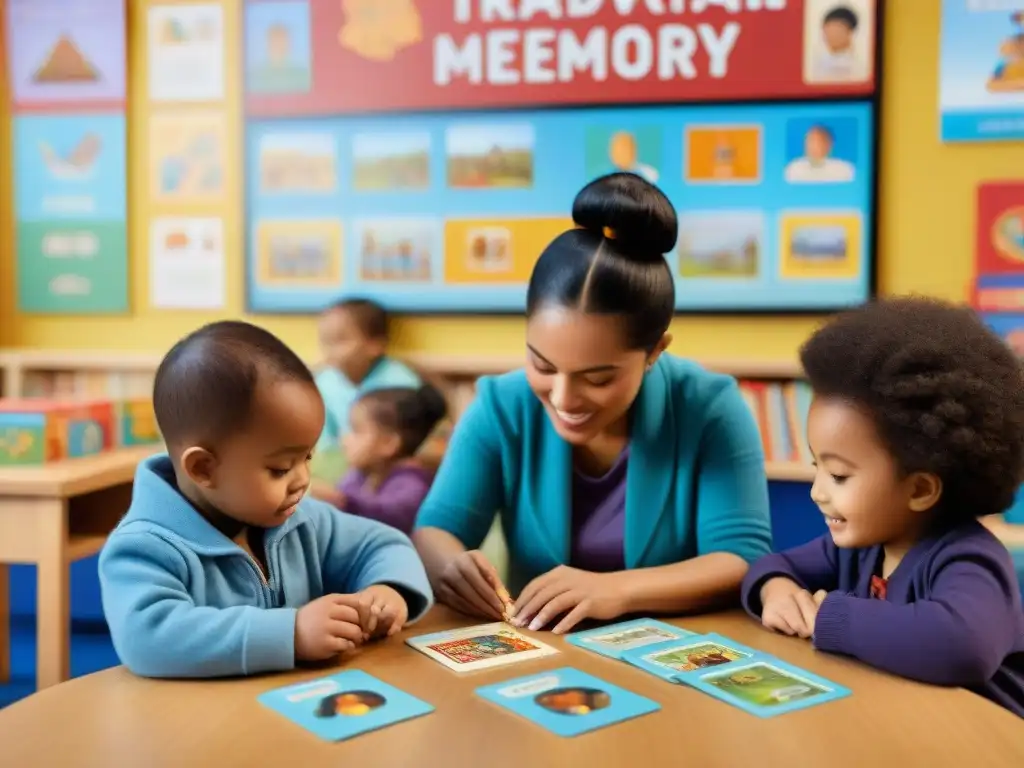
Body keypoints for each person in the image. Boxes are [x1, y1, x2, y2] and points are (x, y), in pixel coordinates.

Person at [413, 172, 773, 635]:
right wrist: (450, 566)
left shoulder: (710, 407)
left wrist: (614, 589)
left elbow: (741, 558)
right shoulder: (500, 404)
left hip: (673, 655)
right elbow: (436, 529)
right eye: (542, 366)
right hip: (542, 658)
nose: (563, 398)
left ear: (654, 353)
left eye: (598, 378)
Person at [98, 321, 433, 679]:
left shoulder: (305, 519)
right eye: (279, 469)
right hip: (202, 728)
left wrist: (388, 589)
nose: (303, 481)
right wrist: (291, 633)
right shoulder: (143, 547)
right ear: (203, 468)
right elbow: (147, 636)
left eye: (306, 458)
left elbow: (384, 544)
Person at [740, 297, 1024, 718]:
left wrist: (828, 617)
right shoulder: (858, 547)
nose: (817, 492)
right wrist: (775, 590)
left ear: (920, 489)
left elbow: (963, 647)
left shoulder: (968, 558)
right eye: (818, 468)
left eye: (838, 476)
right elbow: (771, 565)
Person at [321, 384, 448, 535]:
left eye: (357, 431)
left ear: (388, 443)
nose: (345, 440)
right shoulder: (359, 475)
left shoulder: (413, 485)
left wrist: (341, 501)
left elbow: (388, 517)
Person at [316, 297, 420, 450]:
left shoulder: (401, 383)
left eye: (340, 340)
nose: (330, 351)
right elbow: (324, 442)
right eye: (326, 341)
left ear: (375, 345)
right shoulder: (324, 382)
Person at [808, 5, 868, 83]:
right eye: (827, 31)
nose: (830, 36)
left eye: (836, 31)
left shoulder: (860, 67)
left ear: (849, 32)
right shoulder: (817, 66)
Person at [784, 125, 855, 184]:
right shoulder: (794, 168)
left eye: (818, 142)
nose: (813, 146)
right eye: (810, 141)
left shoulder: (844, 169)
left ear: (828, 145)